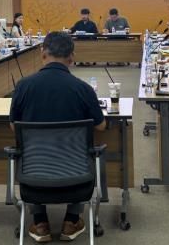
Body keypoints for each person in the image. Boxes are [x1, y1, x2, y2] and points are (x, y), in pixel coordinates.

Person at [9, 32, 105, 242]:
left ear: (43, 53)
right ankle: (71, 221)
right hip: (77, 177)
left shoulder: (23, 86)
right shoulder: (83, 89)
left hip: (33, 178)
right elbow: (101, 126)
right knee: (84, 154)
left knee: (35, 155)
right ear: (72, 57)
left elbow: (14, 127)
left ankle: (40, 223)